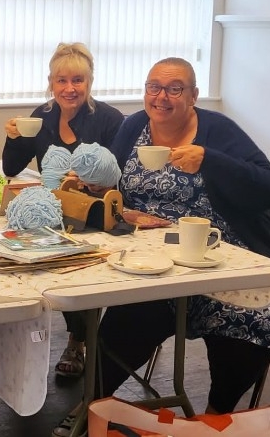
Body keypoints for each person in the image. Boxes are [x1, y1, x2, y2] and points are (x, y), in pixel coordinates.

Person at [53, 57, 270, 436]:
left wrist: (211, 161)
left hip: (215, 255)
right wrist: (97, 187)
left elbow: (264, 184)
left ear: (193, 96)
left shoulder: (217, 131)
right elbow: (115, 181)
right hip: (146, 255)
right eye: (154, 87)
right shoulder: (135, 125)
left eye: (174, 89)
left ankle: (215, 416)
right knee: (129, 320)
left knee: (249, 323)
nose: (161, 97)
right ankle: (91, 404)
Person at [2, 42, 124, 379]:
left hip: (97, 215)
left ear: (90, 82)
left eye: (78, 80)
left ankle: (77, 340)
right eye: (61, 80)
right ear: (51, 82)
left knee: (78, 273)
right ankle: (24, 338)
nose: (69, 89)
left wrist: (94, 181)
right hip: (55, 211)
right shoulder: (41, 116)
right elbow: (12, 167)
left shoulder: (110, 119)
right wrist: (13, 137)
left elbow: (120, 174)